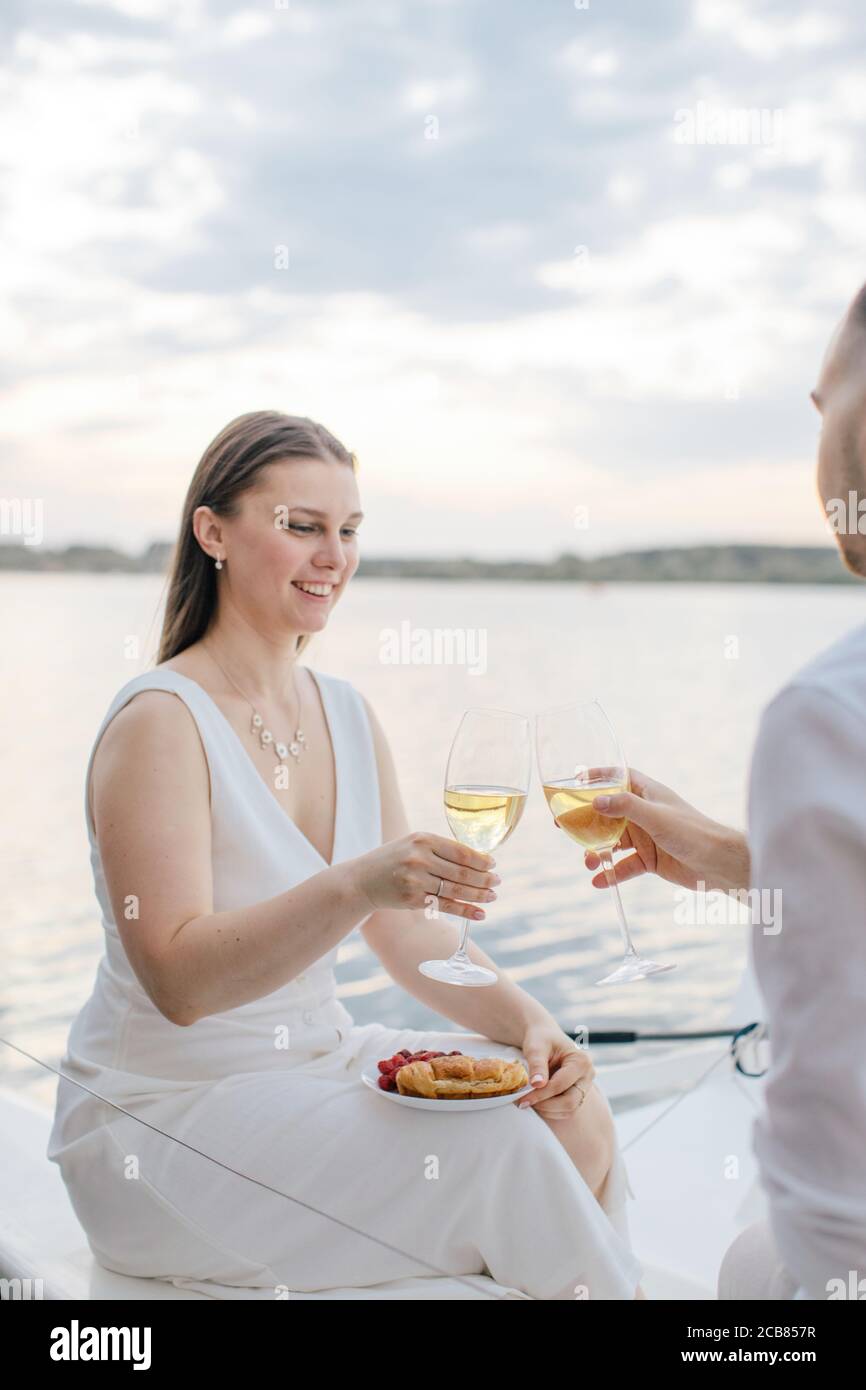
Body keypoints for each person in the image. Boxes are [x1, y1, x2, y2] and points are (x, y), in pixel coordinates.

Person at [47, 410, 643, 1301]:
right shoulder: (159, 724)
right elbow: (178, 983)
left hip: (315, 1064)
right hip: (162, 1120)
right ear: (212, 531)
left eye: (349, 531)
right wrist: (358, 880)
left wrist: (531, 1026)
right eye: (302, 527)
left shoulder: (348, 714)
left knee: (569, 1113)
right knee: (500, 1150)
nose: (334, 556)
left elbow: (407, 935)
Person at [582, 282, 866, 1301]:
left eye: (823, 399)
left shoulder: (825, 713)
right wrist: (724, 855)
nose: (815, 434)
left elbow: (835, 1226)